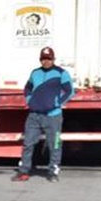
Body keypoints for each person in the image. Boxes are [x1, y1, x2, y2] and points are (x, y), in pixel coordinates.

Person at [14, 46, 73, 182]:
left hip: (53, 116)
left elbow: (69, 90)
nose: (46, 61)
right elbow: (28, 88)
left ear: (53, 59)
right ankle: (24, 171)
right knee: (28, 143)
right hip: (34, 115)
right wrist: (29, 100)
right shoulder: (35, 73)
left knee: (55, 144)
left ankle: (53, 171)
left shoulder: (61, 73)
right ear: (40, 60)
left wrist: (58, 102)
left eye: (49, 59)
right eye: (43, 59)